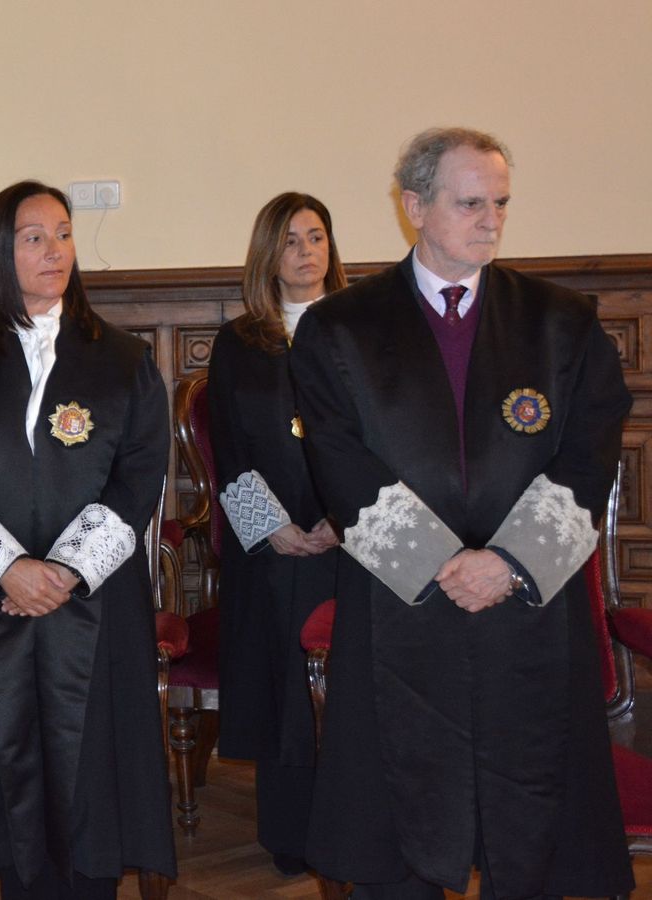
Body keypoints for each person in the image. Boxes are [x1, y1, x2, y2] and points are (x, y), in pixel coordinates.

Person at [289, 127, 634, 898]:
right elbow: (340, 461)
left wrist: (506, 563)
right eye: (470, 202)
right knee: (400, 833)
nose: (491, 219)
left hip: (529, 609)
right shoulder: (340, 327)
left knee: (539, 829)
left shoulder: (562, 322)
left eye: (501, 203)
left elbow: (588, 454)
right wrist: (442, 565)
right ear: (414, 205)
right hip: (401, 606)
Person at [0, 181, 175, 899]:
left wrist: (66, 571)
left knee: (93, 799)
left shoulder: (122, 362)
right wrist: (9, 570)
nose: (54, 250)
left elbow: (138, 478)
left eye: (63, 233)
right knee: (4, 791)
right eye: (33, 237)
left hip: (94, 609)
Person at [207, 192, 346, 877]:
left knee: (347, 679)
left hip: (346, 539)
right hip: (270, 545)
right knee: (280, 675)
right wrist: (273, 528)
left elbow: (378, 438)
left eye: (315, 237)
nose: (305, 251)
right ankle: (290, 833)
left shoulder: (358, 330)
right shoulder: (240, 342)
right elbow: (227, 449)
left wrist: (340, 520)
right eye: (289, 240)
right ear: (269, 254)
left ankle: (350, 824)